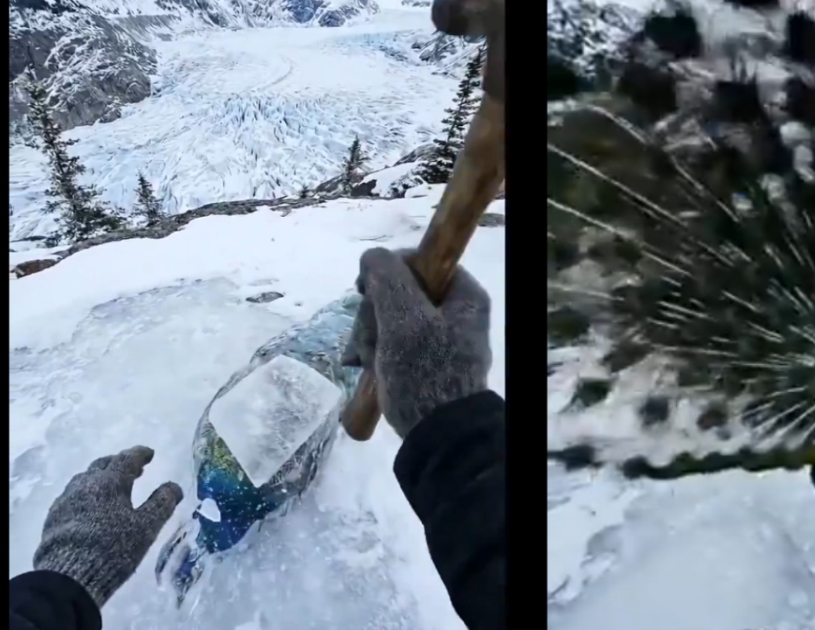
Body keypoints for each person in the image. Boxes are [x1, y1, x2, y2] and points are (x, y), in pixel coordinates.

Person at [9, 248, 506, 630]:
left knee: (299, 381)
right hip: (299, 398)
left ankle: (222, 518)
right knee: (308, 385)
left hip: (279, 400)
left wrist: (61, 585)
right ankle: (227, 518)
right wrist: (456, 422)